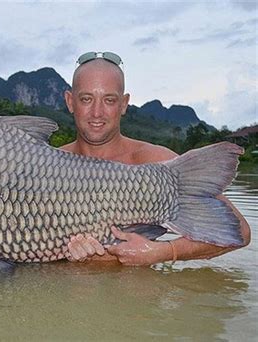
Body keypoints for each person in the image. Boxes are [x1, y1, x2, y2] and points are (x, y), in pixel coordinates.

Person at [62, 51, 250, 265]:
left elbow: (240, 232)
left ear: (123, 104)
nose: (97, 112)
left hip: (138, 293)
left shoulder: (157, 164)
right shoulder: (45, 168)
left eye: (109, 100)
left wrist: (161, 252)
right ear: (70, 102)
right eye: (86, 99)